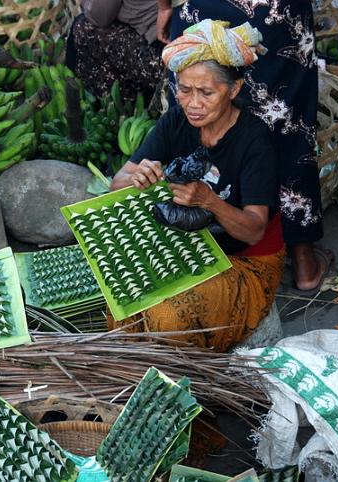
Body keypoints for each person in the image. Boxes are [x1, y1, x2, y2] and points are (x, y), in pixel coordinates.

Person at [108, 19, 283, 352]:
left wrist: (210, 202)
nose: (193, 103)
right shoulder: (176, 119)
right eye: (184, 90)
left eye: (206, 92)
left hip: (245, 261)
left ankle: (180, 380)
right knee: (124, 296)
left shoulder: (254, 140)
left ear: (233, 90)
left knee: (167, 317)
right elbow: (117, 183)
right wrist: (136, 177)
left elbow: (254, 231)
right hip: (190, 244)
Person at [159, 0, 334, 293]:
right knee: (288, 122)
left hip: (203, 8)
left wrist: (164, 6)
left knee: (202, 109)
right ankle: (303, 258)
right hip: (274, 13)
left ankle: (204, 244)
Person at [66, 0, 166, 100]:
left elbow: (100, 15)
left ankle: (134, 100)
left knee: (82, 27)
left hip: (163, 58)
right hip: (170, 37)